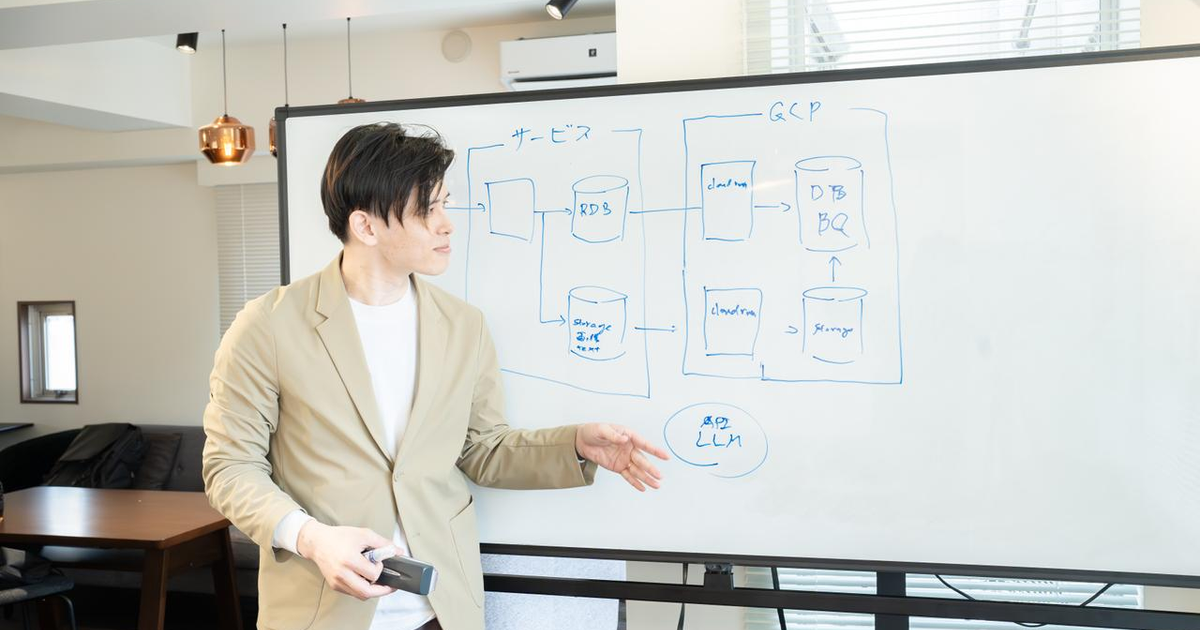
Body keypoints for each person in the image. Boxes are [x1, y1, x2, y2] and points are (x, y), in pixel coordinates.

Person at [201, 122, 669, 630]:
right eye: (427, 210)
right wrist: (310, 537)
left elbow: (481, 448)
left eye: (445, 205)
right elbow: (230, 466)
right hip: (322, 610)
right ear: (366, 227)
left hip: (443, 609)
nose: (447, 225)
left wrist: (574, 445)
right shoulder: (267, 326)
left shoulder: (464, 325)